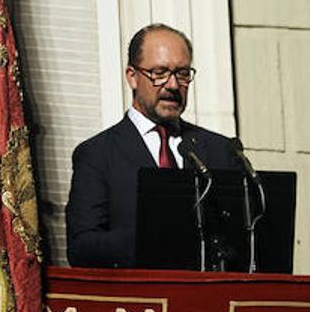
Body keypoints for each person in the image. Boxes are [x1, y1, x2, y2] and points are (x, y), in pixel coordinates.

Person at [65, 23, 233, 267]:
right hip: (138, 299)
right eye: (159, 73)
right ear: (132, 77)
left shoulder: (219, 151)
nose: (173, 85)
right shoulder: (98, 154)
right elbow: (82, 247)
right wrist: (156, 239)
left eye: (183, 73)